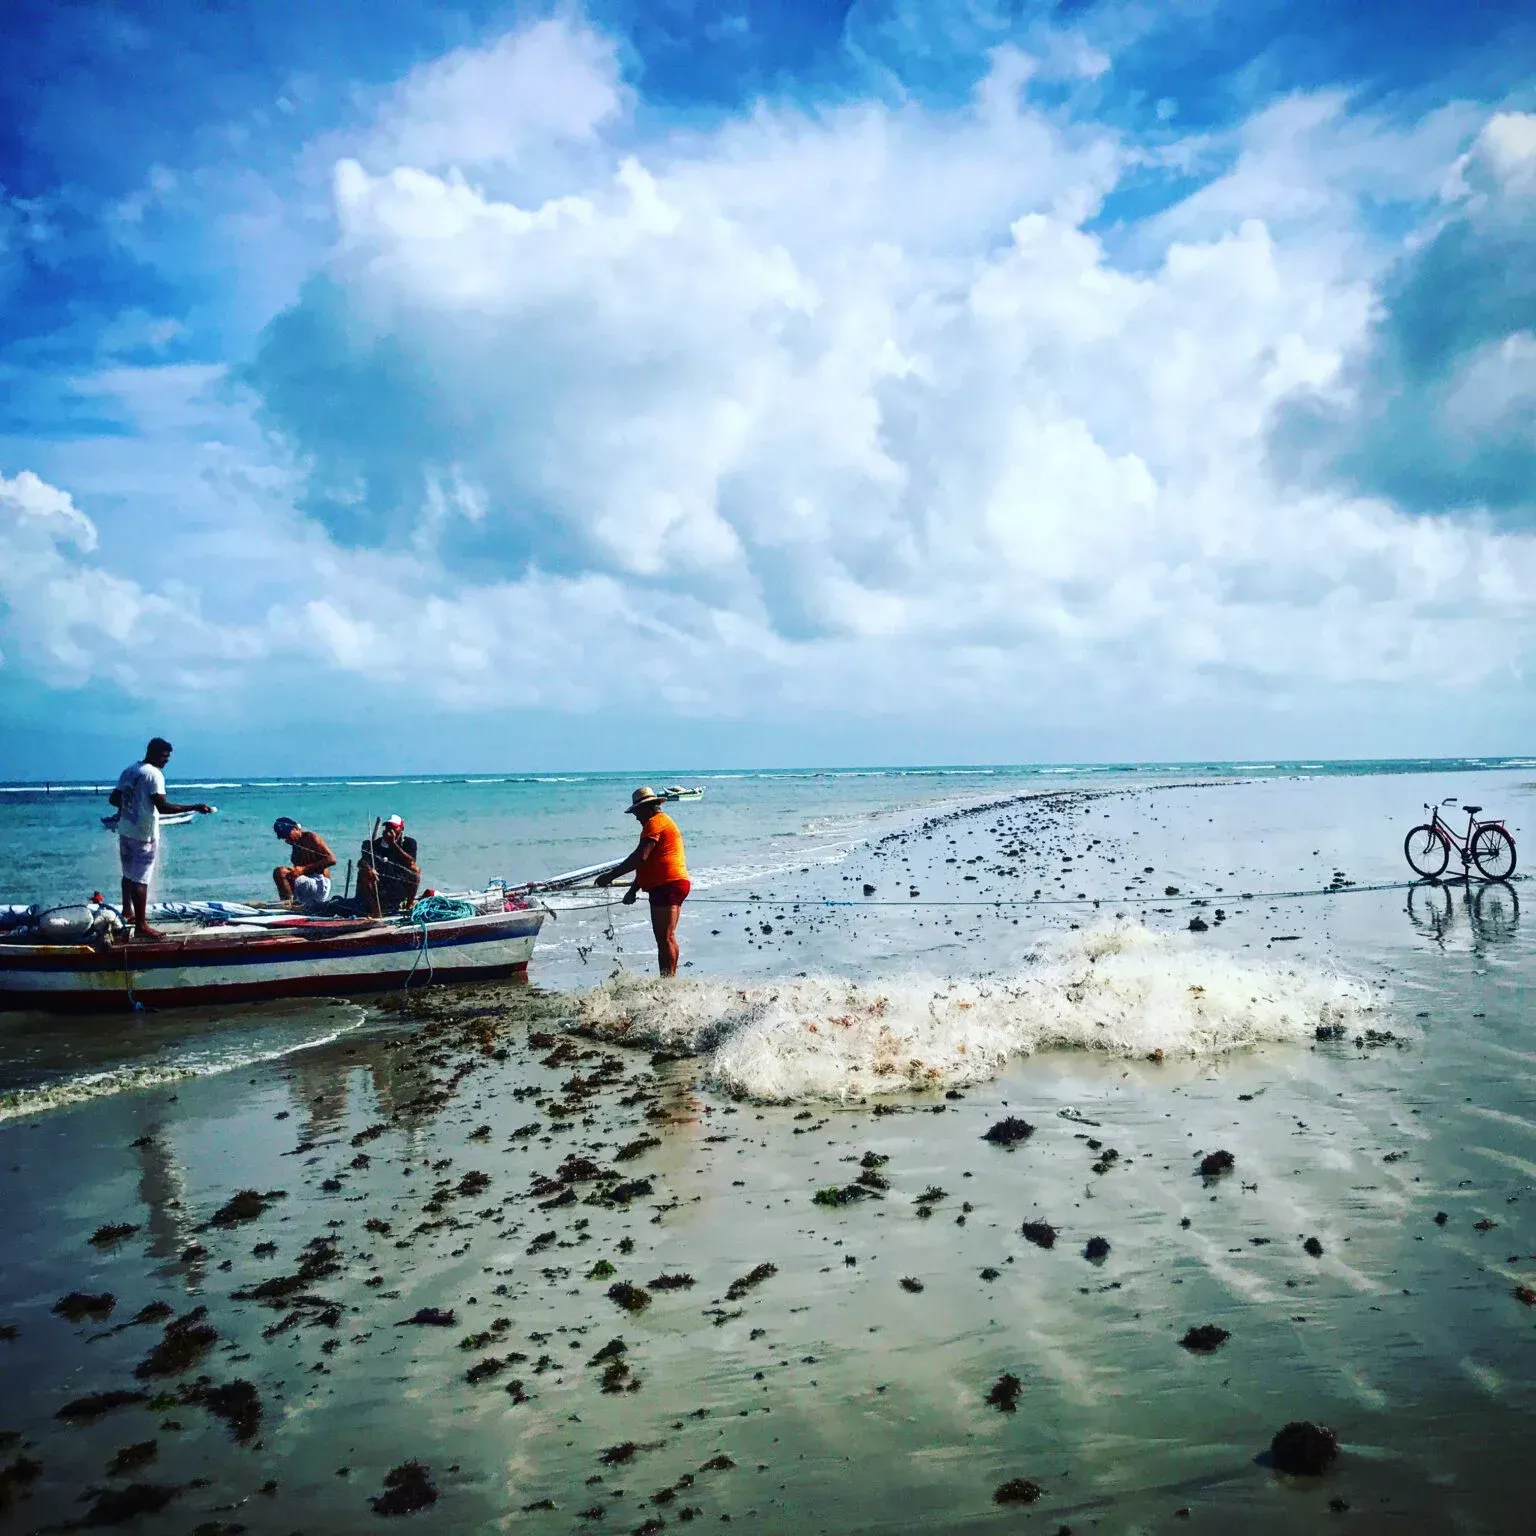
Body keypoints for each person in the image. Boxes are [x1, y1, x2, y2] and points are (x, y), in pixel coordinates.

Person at [107, 738, 214, 940]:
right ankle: (141, 925)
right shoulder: (154, 775)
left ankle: (127, 911)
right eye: (164, 756)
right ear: (153, 753)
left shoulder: (130, 770)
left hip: (126, 829)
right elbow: (163, 807)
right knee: (141, 878)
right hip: (143, 834)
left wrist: (129, 809)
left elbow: (114, 799)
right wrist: (195, 807)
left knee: (128, 874)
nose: (166, 761)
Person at [595, 786, 690, 976]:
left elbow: (640, 857)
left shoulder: (654, 823)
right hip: (671, 883)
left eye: (637, 812)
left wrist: (610, 876)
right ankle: (670, 977)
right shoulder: (662, 822)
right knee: (668, 937)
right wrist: (633, 889)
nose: (636, 817)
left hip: (667, 884)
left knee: (665, 938)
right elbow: (649, 863)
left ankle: (667, 982)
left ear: (648, 808)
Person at [358, 815, 421, 916]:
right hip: (381, 883)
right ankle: (376, 912)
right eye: (388, 827)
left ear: (401, 829)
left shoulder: (409, 843)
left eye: (393, 827)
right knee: (365, 872)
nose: (389, 830)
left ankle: (408, 905)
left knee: (415, 870)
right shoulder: (376, 844)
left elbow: (410, 862)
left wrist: (393, 844)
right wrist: (369, 868)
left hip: (399, 883)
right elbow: (362, 861)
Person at [272, 818, 337, 909]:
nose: (287, 839)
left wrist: (303, 870)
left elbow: (332, 859)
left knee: (280, 872)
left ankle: (288, 907)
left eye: (288, 835)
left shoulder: (310, 837)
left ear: (295, 828)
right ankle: (291, 903)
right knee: (286, 874)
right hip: (308, 883)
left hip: (319, 882)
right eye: (284, 837)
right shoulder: (295, 843)